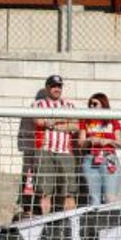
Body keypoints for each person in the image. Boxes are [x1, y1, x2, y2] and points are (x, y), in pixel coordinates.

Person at [31, 74, 78, 215]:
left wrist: (53, 123)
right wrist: (63, 120)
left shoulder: (69, 105)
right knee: (45, 190)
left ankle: (70, 221)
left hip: (65, 150)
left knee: (69, 190)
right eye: (53, 86)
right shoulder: (38, 104)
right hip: (45, 150)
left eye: (59, 86)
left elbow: (75, 126)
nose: (57, 89)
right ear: (47, 88)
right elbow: (39, 121)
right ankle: (46, 220)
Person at [78, 92, 121, 207]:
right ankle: (95, 224)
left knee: (110, 199)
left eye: (95, 104)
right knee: (94, 200)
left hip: (109, 159)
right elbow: (81, 143)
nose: (92, 107)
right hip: (91, 159)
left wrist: (107, 141)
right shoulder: (85, 121)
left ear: (103, 104)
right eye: (90, 105)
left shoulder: (112, 121)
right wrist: (90, 140)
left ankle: (109, 223)